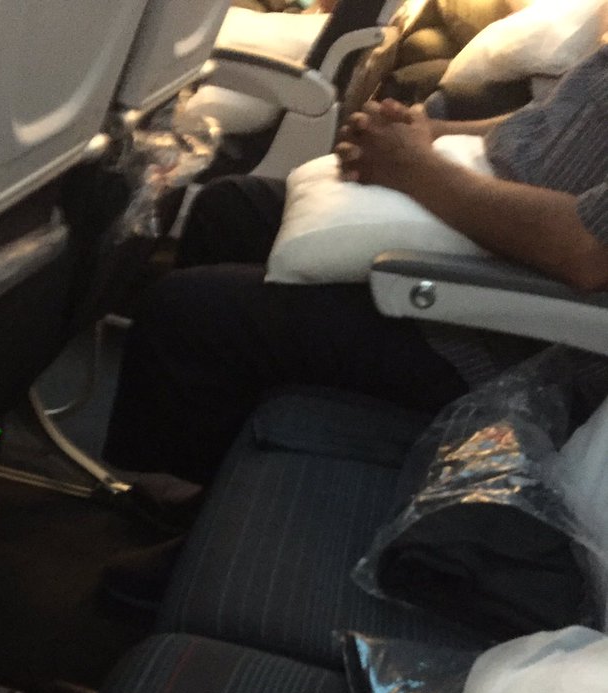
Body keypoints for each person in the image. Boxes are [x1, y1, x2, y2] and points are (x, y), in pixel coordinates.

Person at [103, 44, 608, 486]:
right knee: (230, 208)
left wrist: (413, 166)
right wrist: (429, 131)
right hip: (492, 237)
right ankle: (213, 455)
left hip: (513, 335)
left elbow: (588, 253)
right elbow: (545, 124)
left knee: (189, 311)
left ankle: (178, 506)